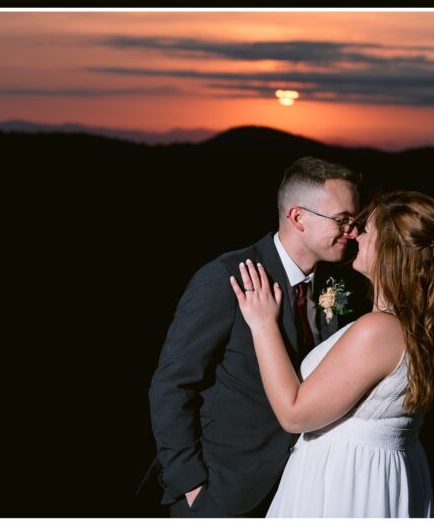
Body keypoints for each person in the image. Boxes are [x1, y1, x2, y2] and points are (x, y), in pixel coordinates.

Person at [230, 190, 434, 518]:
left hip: (345, 481)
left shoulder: (379, 330)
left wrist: (263, 325)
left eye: (366, 230)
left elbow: (294, 414)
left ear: (389, 251)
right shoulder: (423, 324)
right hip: (378, 472)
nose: (355, 233)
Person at [148, 157, 365, 517]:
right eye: (343, 220)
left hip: (301, 490)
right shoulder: (226, 278)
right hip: (224, 492)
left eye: (355, 222)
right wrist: (190, 485)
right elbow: (171, 385)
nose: (353, 232)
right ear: (298, 217)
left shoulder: (337, 285)